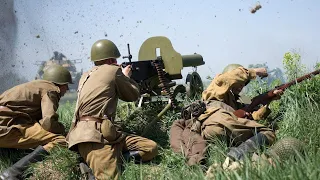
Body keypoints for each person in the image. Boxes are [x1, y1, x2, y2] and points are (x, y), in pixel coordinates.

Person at [67, 39, 158, 180]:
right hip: (94, 137)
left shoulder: (85, 75)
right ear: (111, 59)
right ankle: (92, 170)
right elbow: (132, 95)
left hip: (99, 133)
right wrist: (126, 77)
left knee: (150, 148)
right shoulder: (113, 71)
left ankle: (106, 162)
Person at [170, 64, 283, 167]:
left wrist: (269, 100)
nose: (241, 86)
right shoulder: (218, 86)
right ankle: (237, 154)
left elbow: (252, 116)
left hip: (209, 130)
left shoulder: (237, 100)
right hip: (219, 120)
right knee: (268, 133)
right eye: (239, 83)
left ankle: (228, 157)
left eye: (243, 84)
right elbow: (229, 77)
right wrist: (255, 72)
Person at [0, 64, 72, 180]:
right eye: (66, 85)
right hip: (6, 127)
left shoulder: (35, 86)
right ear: (59, 83)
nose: (67, 89)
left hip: (6, 124)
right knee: (60, 140)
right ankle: (12, 173)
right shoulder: (51, 90)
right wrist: (63, 131)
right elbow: (48, 122)